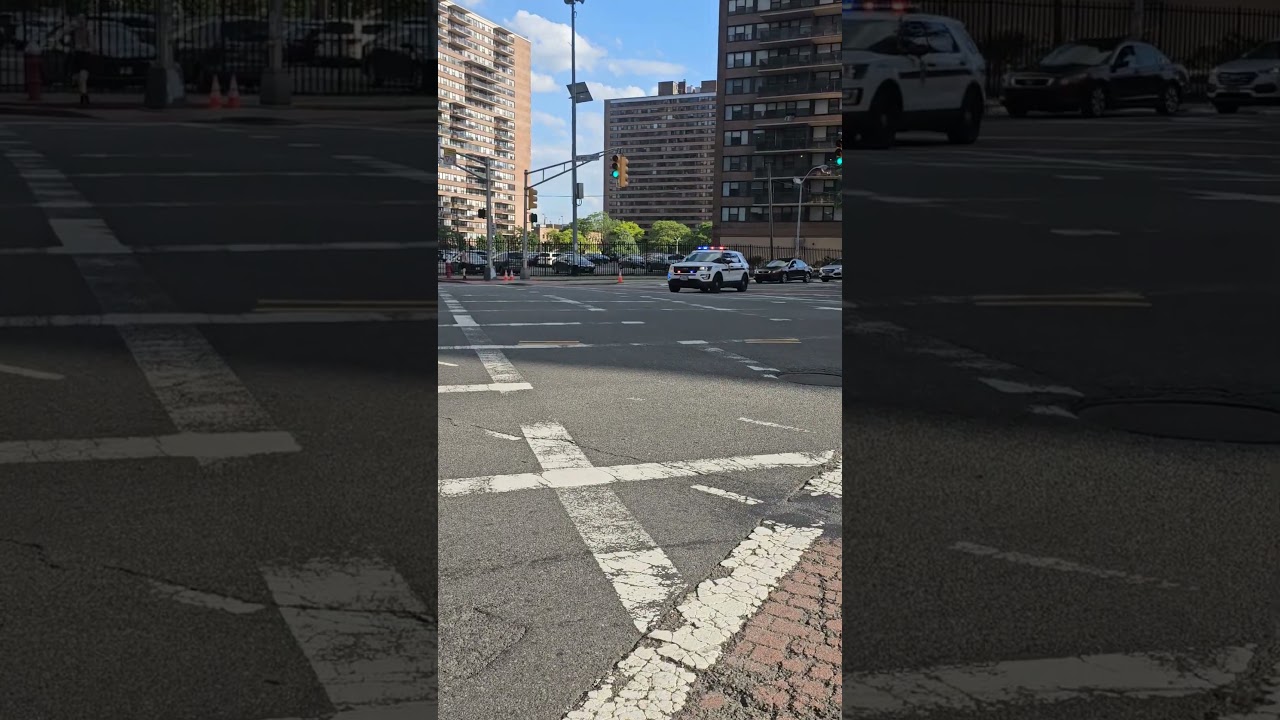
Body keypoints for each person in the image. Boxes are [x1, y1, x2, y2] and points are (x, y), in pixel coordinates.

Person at [69, 14, 95, 105]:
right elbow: (64, 32)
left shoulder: (88, 31)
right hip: (77, 55)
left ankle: (83, 98)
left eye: (82, 20)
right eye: (79, 20)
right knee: (77, 78)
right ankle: (85, 96)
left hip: (85, 55)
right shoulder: (74, 31)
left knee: (82, 77)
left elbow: (92, 47)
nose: (81, 22)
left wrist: (86, 48)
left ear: (85, 21)